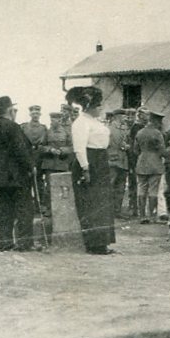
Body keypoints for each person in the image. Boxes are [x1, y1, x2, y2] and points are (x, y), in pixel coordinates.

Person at [68, 86, 115, 254]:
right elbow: (79, 148)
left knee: (102, 202)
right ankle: (94, 244)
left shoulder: (95, 121)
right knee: (91, 203)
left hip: (101, 161)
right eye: (98, 105)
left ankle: (103, 242)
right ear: (89, 106)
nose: (101, 108)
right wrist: (85, 169)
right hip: (89, 162)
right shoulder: (81, 122)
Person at [0, 96, 35, 251]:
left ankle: (5, 243)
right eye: (13, 109)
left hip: (1, 177)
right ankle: (25, 243)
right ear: (9, 110)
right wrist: (31, 167)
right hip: (18, 177)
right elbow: (21, 151)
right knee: (24, 209)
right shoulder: (13, 127)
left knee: (5, 210)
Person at [133, 110, 166, 223]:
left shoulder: (140, 132)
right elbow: (162, 150)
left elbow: (135, 150)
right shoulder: (157, 133)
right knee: (153, 190)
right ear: (156, 121)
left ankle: (142, 216)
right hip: (155, 163)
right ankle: (152, 216)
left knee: (141, 189)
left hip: (141, 163)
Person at [39, 110, 73, 215]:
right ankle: (49, 209)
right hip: (49, 164)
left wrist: (63, 150)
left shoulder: (66, 132)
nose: (52, 121)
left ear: (59, 120)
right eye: (51, 119)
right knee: (49, 188)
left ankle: (62, 208)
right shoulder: (47, 132)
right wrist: (50, 149)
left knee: (63, 187)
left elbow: (72, 147)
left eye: (54, 120)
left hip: (62, 164)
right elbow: (41, 147)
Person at [106, 108, 130, 219]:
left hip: (123, 161)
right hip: (112, 161)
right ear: (118, 117)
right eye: (124, 116)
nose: (126, 118)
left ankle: (117, 210)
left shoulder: (124, 128)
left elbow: (126, 141)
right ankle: (108, 211)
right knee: (110, 186)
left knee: (121, 187)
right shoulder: (108, 129)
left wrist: (126, 146)